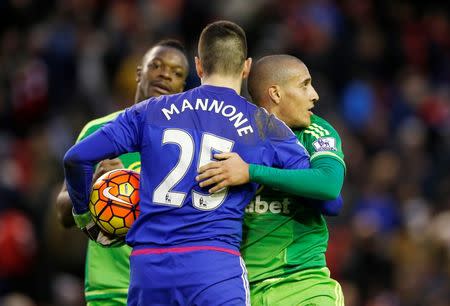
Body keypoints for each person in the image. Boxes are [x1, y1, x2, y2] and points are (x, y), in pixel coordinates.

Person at [63, 21, 313, 306]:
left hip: (149, 270)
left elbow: (76, 158)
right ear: (246, 67)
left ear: (198, 66)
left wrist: (86, 218)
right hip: (213, 267)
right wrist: (252, 172)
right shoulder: (264, 125)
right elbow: (313, 186)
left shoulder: (150, 111)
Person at [197, 55, 346, 305]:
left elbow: (329, 189)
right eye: (304, 85)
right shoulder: (228, 135)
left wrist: (250, 172)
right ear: (276, 94)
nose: (315, 95)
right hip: (243, 289)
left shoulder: (316, 131)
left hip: (303, 283)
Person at [55, 39, 189, 306]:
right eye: (157, 65)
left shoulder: (188, 145)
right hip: (110, 289)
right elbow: (62, 212)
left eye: (176, 73)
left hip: (164, 288)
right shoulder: (98, 132)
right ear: (139, 73)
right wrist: (91, 187)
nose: (165, 74)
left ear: (183, 89)